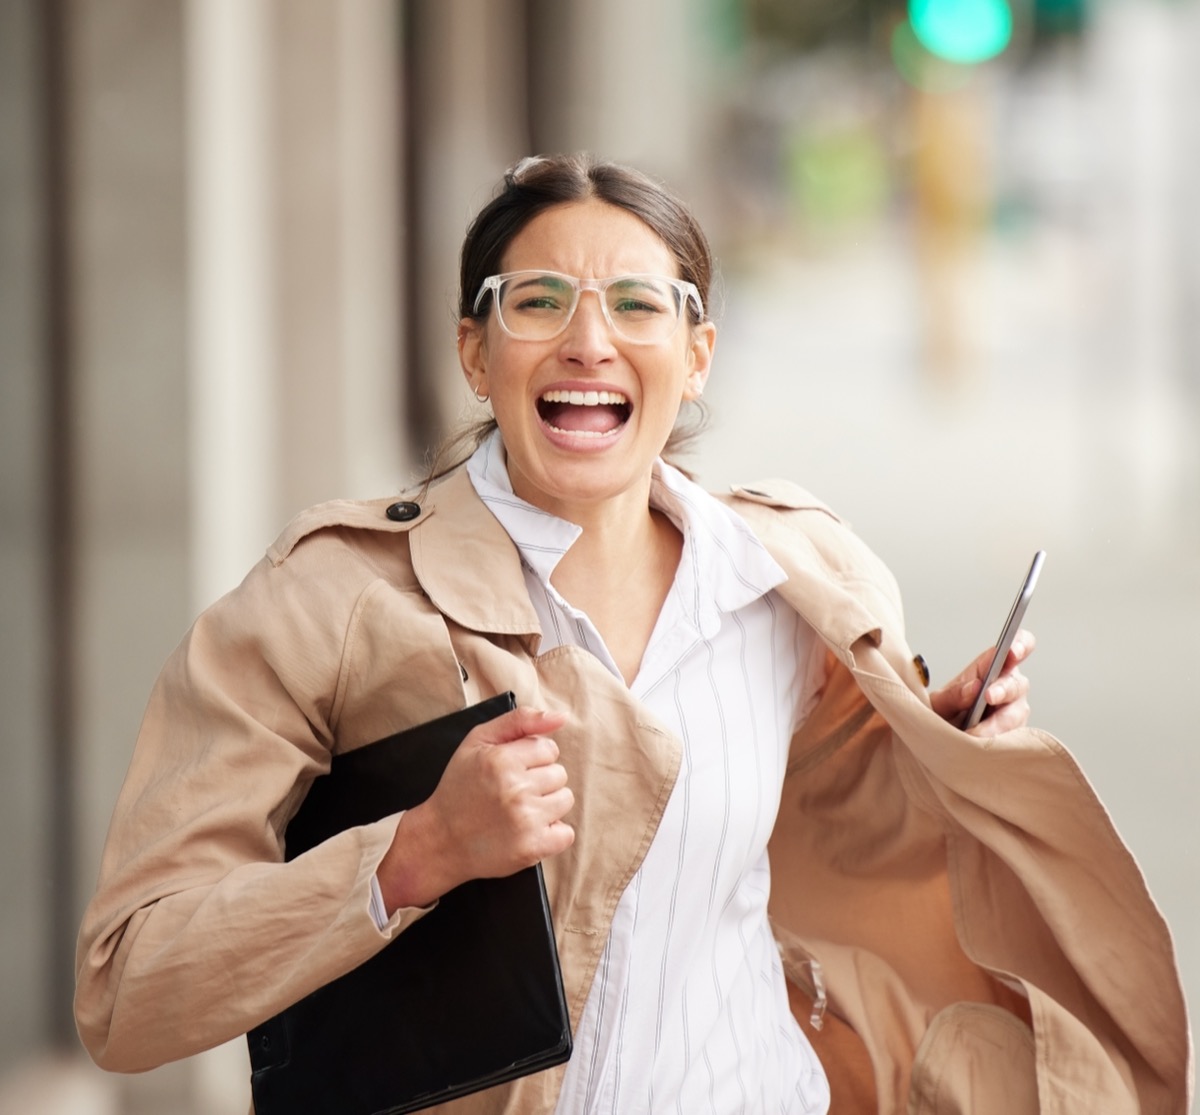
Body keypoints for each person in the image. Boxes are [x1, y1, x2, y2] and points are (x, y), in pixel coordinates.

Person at [75, 154, 1190, 1114]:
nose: (588, 340)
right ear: (475, 351)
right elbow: (126, 987)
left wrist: (933, 743)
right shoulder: (330, 601)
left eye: (638, 304)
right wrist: (417, 852)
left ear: (697, 354)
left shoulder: (794, 581)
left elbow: (832, 835)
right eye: (539, 300)